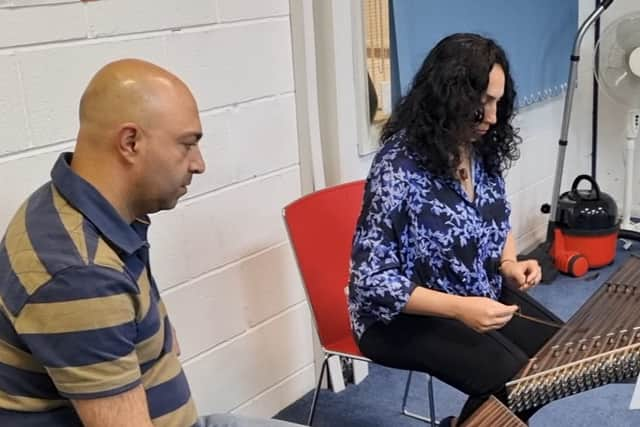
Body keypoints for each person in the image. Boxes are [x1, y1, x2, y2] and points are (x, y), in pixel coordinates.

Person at [0, 59, 302, 427]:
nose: (199, 163)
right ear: (130, 142)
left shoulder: (91, 212)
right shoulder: (78, 271)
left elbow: (158, 340)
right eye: (187, 144)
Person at [348, 33, 563, 426]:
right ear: (448, 98)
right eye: (482, 103)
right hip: (398, 318)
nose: (494, 116)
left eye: (498, 101)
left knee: (554, 356)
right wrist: (460, 309)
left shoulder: (480, 149)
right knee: (511, 377)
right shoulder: (398, 166)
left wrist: (509, 261)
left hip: (471, 293)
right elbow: (371, 280)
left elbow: (495, 220)